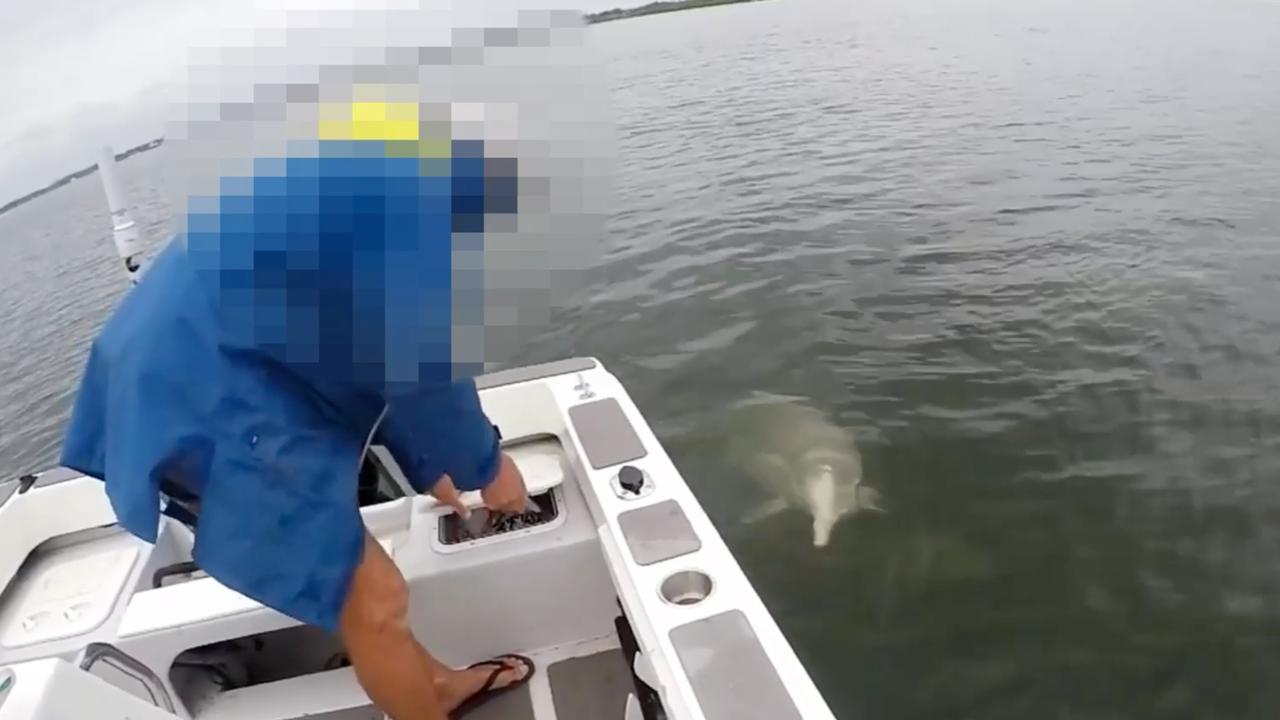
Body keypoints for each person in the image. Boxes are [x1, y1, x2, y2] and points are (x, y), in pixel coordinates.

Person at [59, 99, 542, 719]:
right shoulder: (408, 225)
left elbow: (375, 356)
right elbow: (427, 371)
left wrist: (431, 466)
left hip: (192, 364)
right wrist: (489, 471)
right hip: (204, 396)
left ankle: (438, 687)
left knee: (368, 591)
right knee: (373, 598)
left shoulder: (351, 185)